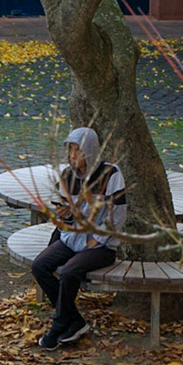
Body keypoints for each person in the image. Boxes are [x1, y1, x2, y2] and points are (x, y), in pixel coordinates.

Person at [30, 126, 126, 349]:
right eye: (70, 150)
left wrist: (98, 239)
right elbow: (69, 218)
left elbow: (118, 215)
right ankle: (75, 321)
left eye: (78, 150)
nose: (73, 156)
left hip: (102, 245)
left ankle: (59, 324)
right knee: (40, 266)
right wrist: (66, 215)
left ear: (90, 152)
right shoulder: (67, 176)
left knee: (69, 272)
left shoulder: (112, 174)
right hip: (73, 239)